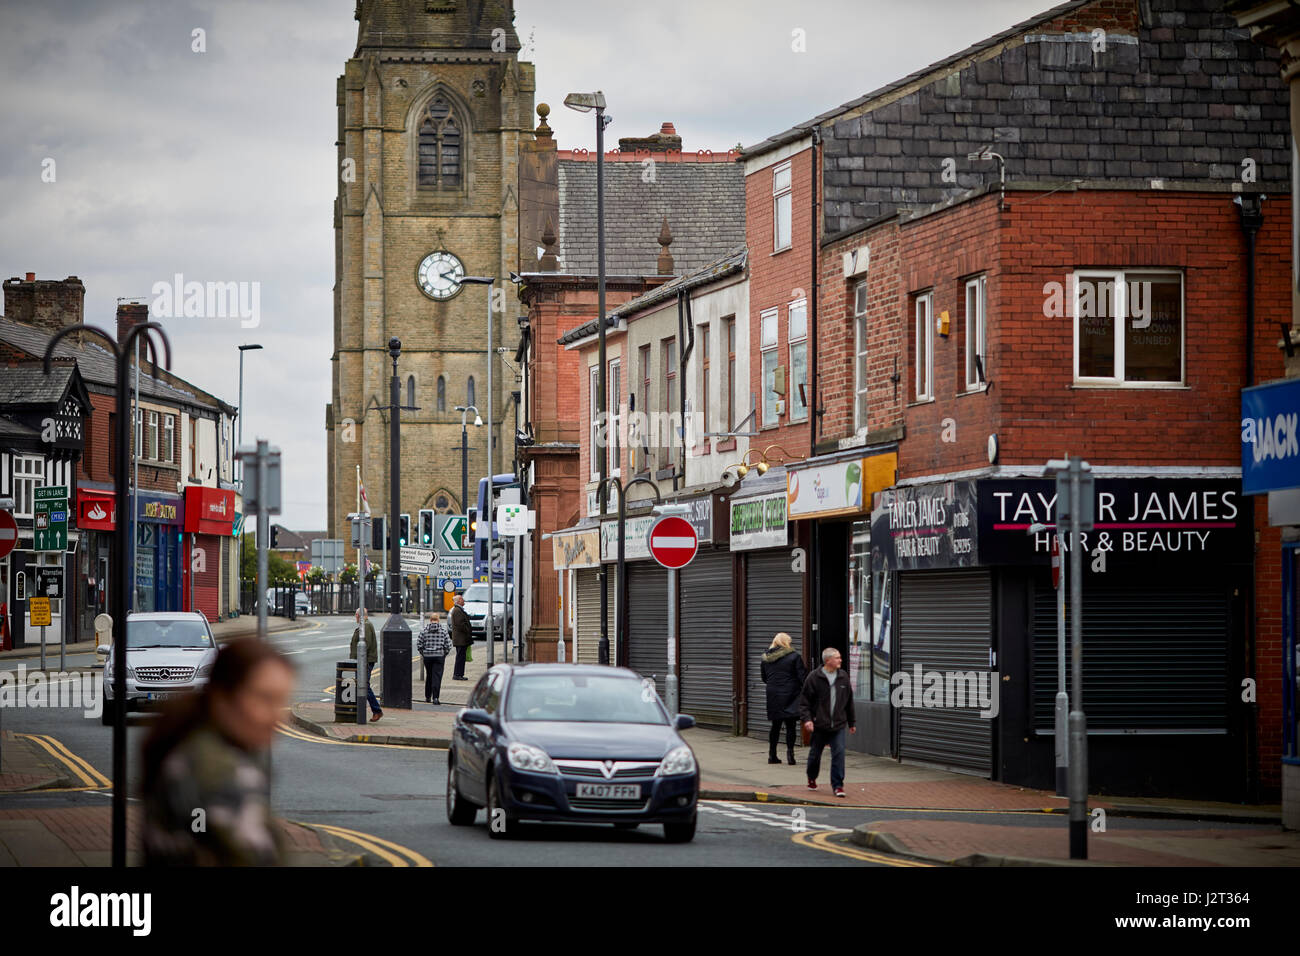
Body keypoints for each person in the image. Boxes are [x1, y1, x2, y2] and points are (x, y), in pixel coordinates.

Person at [141, 638, 296, 866]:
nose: (277, 716)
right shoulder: (219, 774)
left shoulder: (191, 747)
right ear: (222, 698)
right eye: (265, 699)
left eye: (282, 701)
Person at [799, 646, 856, 797]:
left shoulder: (843, 677)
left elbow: (849, 701)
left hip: (838, 725)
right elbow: (804, 702)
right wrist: (808, 720)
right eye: (837, 658)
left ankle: (838, 786)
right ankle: (812, 776)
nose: (840, 660)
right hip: (819, 725)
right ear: (828, 660)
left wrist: (852, 722)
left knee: (839, 753)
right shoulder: (814, 677)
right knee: (815, 755)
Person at [760, 632, 806, 766]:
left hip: (773, 693)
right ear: (786, 643)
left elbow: (764, 678)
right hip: (791, 694)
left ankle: (772, 755)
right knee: (791, 725)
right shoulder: (794, 657)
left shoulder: (766, 658)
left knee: (775, 725)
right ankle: (790, 755)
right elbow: (802, 676)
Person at [350, 607, 382, 721]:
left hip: (366, 661)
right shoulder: (365, 625)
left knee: (363, 686)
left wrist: (360, 657)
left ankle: (376, 710)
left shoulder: (366, 625)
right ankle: (359, 710)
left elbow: (366, 643)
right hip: (364, 660)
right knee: (362, 685)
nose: (355, 617)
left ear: (359, 615)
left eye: (356, 615)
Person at [417, 610, 451, 704]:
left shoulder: (424, 631)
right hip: (439, 656)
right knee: (437, 677)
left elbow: (419, 644)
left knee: (429, 676)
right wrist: (444, 654)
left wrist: (424, 653)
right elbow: (448, 645)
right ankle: (435, 698)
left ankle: (428, 697)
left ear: (430, 620)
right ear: (438, 620)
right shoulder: (443, 631)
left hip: (427, 656)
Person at [449, 593, 472, 680]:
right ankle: (458, 675)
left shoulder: (458, 610)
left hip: (461, 638)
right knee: (460, 657)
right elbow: (460, 624)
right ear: (458, 601)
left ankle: (459, 674)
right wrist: (468, 630)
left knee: (461, 657)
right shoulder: (457, 610)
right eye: (462, 599)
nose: (463, 600)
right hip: (460, 638)